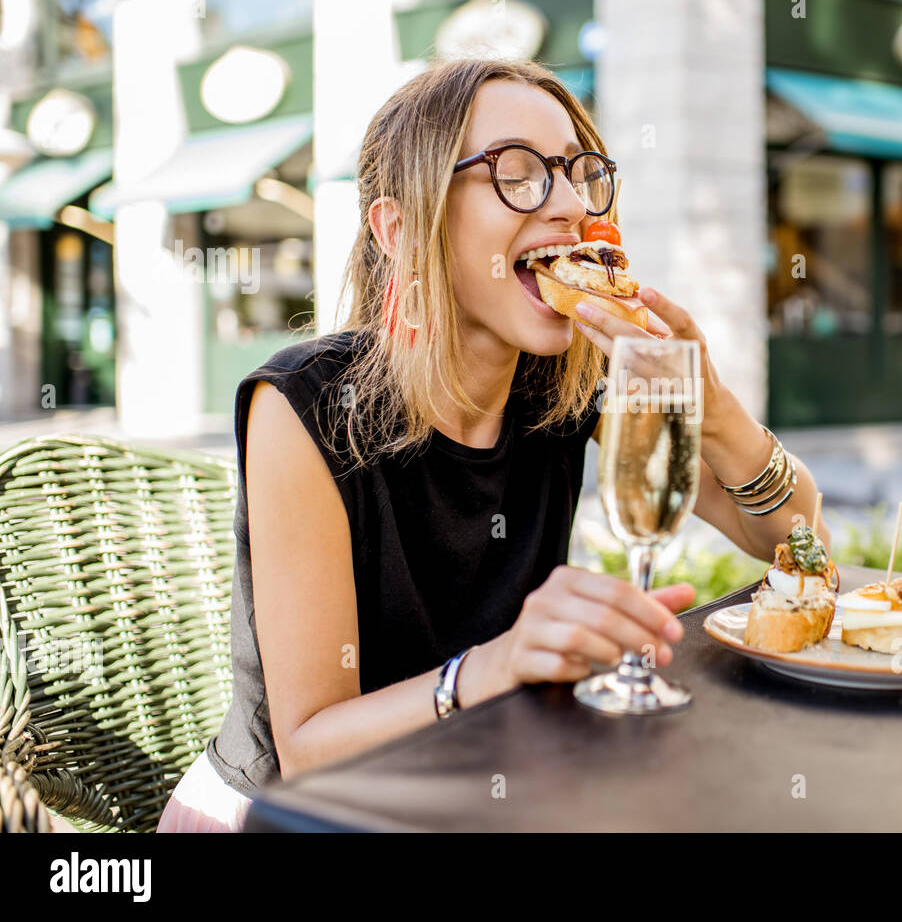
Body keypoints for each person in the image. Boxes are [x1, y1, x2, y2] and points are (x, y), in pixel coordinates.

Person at [157, 57, 829, 831]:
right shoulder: (305, 407)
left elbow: (798, 545)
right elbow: (308, 749)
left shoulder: (568, 383)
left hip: (484, 785)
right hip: (290, 814)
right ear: (403, 227)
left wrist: (711, 409)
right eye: (519, 172)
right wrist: (500, 664)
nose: (574, 206)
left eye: (581, 173)